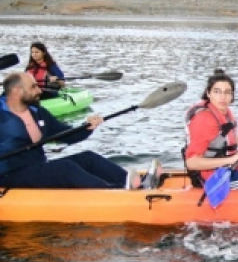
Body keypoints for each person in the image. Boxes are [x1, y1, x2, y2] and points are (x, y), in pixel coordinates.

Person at [0, 72, 144, 189]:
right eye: (33, 87)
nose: (39, 90)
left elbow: (66, 135)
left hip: (37, 168)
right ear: (17, 91)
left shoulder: (37, 111)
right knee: (64, 168)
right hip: (9, 175)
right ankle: (116, 191)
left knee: (88, 158)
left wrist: (87, 127)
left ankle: (136, 182)